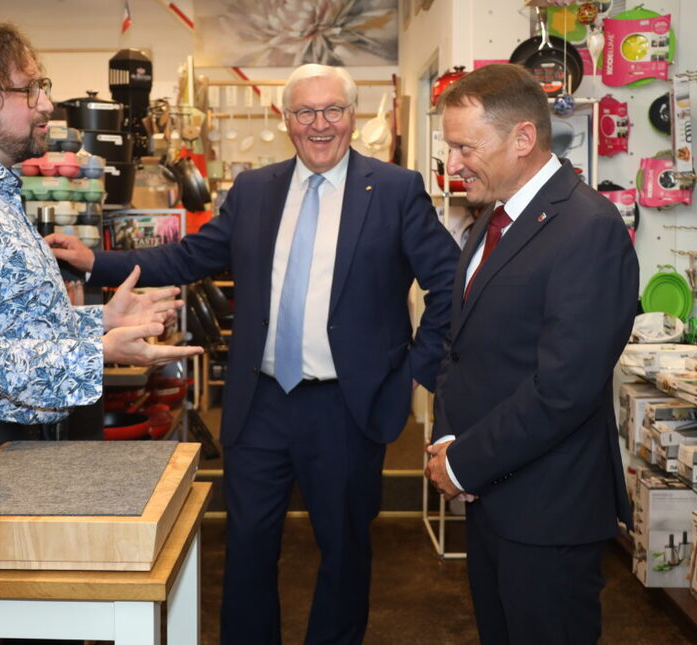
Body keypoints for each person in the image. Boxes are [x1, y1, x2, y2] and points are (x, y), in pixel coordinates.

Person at [47, 63, 458, 644]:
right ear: (286, 120)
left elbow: (449, 284)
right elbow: (188, 257)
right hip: (261, 402)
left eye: (332, 110)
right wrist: (97, 262)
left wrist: (413, 370)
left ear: (352, 116)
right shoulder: (256, 190)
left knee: (344, 550)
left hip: (347, 407)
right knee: (245, 549)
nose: (320, 124)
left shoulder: (394, 190)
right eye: (305, 112)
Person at [0, 21, 201, 478]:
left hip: (11, 451)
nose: (46, 104)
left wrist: (101, 320)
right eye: (29, 90)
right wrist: (95, 352)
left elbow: (10, 326)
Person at [423, 63, 638, 645]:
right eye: (451, 148)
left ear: (522, 138)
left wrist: (463, 464)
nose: (454, 164)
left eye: (466, 148)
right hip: (489, 495)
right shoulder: (493, 218)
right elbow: (458, 344)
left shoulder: (588, 227)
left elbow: (564, 388)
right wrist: (449, 440)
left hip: (548, 513)